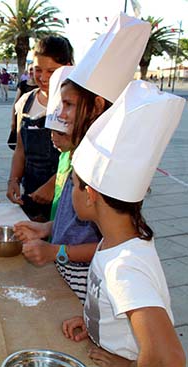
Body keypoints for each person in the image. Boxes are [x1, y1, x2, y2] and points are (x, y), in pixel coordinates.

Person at [14, 14, 152, 302]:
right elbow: (69, 219)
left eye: (68, 105)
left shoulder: (104, 168)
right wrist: (47, 228)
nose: (59, 115)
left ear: (97, 104)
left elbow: (116, 240)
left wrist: (57, 251)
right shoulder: (78, 156)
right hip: (66, 272)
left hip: (86, 279)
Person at [62, 80, 186, 367]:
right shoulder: (115, 241)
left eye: (74, 185)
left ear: (90, 195)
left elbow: (170, 359)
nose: (71, 193)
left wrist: (126, 364)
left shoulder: (123, 268)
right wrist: (96, 323)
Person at [6, 36, 73, 222]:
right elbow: (20, 149)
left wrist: (53, 185)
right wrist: (13, 180)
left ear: (67, 67)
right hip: (32, 195)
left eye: (51, 71)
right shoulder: (25, 101)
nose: (43, 77)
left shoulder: (75, 105)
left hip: (66, 195)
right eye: (37, 70)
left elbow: (81, 154)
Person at [8, 64, 38, 150]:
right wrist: (13, 120)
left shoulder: (40, 86)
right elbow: (15, 103)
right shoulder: (23, 84)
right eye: (30, 70)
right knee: (19, 145)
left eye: (34, 69)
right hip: (21, 117)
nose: (31, 72)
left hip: (34, 118)